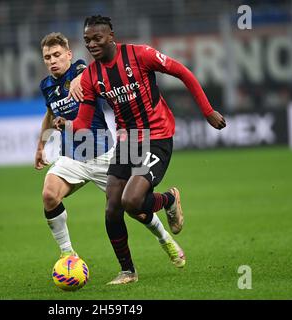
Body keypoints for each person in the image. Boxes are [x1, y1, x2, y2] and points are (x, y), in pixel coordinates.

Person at [54, 16, 226, 284]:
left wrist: (207, 111)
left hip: (157, 136)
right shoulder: (90, 76)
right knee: (113, 206)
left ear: (111, 35)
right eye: (87, 40)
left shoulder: (140, 54)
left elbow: (182, 72)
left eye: (97, 38)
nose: (91, 44)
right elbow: (85, 123)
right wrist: (66, 125)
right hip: (128, 140)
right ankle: (127, 271)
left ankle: (168, 200)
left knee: (132, 201)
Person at [37, 33, 176, 284]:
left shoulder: (82, 70)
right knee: (49, 195)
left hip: (104, 154)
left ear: (69, 54)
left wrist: (81, 78)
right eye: (47, 57)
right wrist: (41, 145)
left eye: (57, 55)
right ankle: (68, 253)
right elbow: (50, 112)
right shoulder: (47, 85)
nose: (52, 61)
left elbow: (87, 72)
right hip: (74, 157)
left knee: (134, 207)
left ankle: (164, 237)